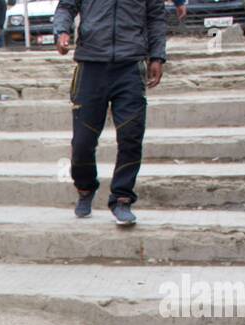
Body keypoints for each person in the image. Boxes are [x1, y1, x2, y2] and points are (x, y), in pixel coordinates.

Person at [52, 0, 168, 227]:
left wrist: (157, 56)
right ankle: (85, 187)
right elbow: (66, 6)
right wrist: (62, 31)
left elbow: (156, 18)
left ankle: (122, 198)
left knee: (131, 136)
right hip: (90, 66)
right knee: (83, 142)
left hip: (130, 66)